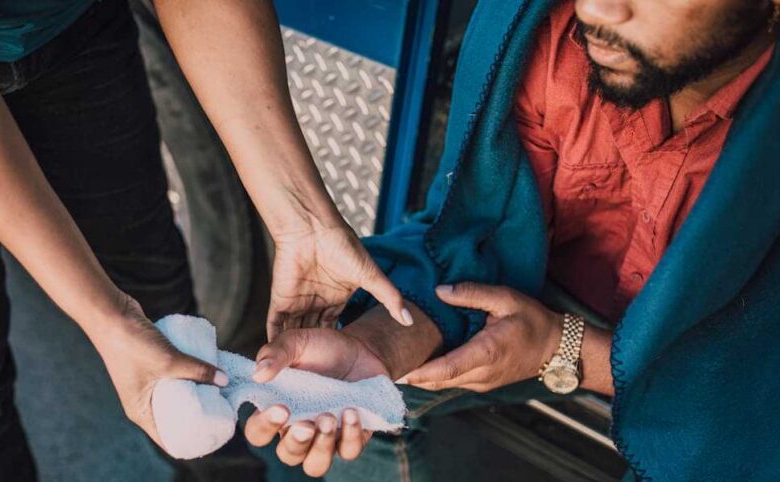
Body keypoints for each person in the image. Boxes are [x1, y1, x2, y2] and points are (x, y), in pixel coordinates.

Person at [0, 0, 415, 480]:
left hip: (68, 23)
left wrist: (303, 222)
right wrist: (111, 321)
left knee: (156, 275)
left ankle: (221, 475)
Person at [244, 0, 780, 480]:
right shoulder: (552, 39)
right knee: (369, 402)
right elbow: (478, 236)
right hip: (536, 297)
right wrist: (376, 346)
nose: (598, 11)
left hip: (725, 384)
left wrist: (560, 349)